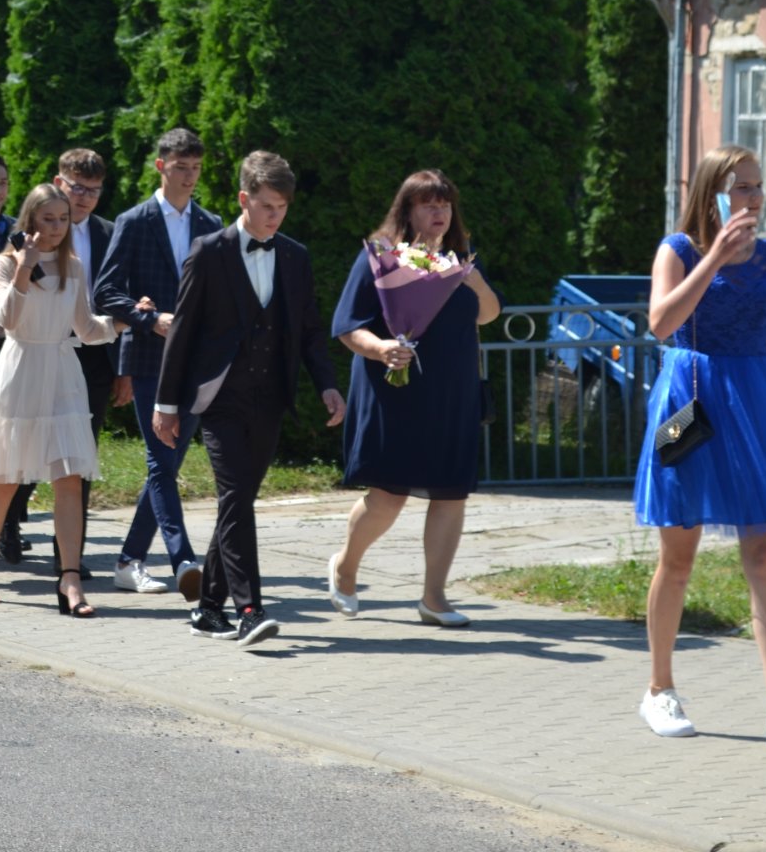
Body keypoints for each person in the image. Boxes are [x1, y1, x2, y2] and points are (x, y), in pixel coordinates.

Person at [633, 144, 766, 746]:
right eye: (742, 187)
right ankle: (659, 688)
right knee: (678, 553)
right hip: (687, 402)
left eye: (758, 186)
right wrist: (713, 256)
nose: (754, 197)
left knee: (765, 549)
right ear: (712, 193)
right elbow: (661, 323)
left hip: (757, 402)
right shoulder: (678, 249)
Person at [155, 151, 344, 646]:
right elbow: (182, 332)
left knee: (236, 502)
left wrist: (326, 383)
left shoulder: (295, 256)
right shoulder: (208, 251)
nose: (274, 216)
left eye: (282, 207)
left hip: (270, 397)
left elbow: (309, 330)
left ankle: (207, 610)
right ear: (244, 199)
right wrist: (166, 404)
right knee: (237, 498)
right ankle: (249, 609)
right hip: (219, 397)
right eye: (266, 206)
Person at [326, 170, 501, 626]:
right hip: (395, 392)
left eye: (445, 205)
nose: (439, 213)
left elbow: (488, 314)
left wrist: (475, 282)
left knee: (451, 493)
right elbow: (347, 326)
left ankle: (433, 599)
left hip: (453, 393)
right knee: (388, 496)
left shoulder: (460, 259)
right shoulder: (380, 256)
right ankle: (345, 567)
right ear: (407, 210)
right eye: (428, 204)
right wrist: (381, 348)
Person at [0, 183, 121, 616]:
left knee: (69, 478)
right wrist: (25, 267)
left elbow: (86, 329)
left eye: (62, 219)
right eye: (47, 219)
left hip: (62, 374)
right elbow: (6, 320)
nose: (56, 227)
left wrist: (125, 322)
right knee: (5, 478)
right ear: (29, 221)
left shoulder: (73, 266)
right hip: (20, 371)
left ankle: (70, 578)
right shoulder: (3, 264)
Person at [97, 127, 223, 598]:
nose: (189, 177)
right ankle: (183, 559)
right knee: (160, 458)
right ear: (160, 166)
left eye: (196, 168)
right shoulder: (135, 221)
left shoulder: (211, 223)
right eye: (180, 167)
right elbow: (105, 291)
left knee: (165, 465)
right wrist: (148, 318)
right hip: (150, 357)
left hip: (196, 363)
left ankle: (128, 560)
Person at [0, 148, 114, 577]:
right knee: (23, 453)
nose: (84, 198)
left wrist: (125, 341)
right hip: (32, 353)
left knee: (75, 460)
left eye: (93, 191)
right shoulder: (19, 243)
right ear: (58, 183)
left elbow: (102, 308)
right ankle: (7, 526)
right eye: (77, 188)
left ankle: (70, 556)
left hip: (87, 358)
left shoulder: (108, 234)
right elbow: (7, 314)